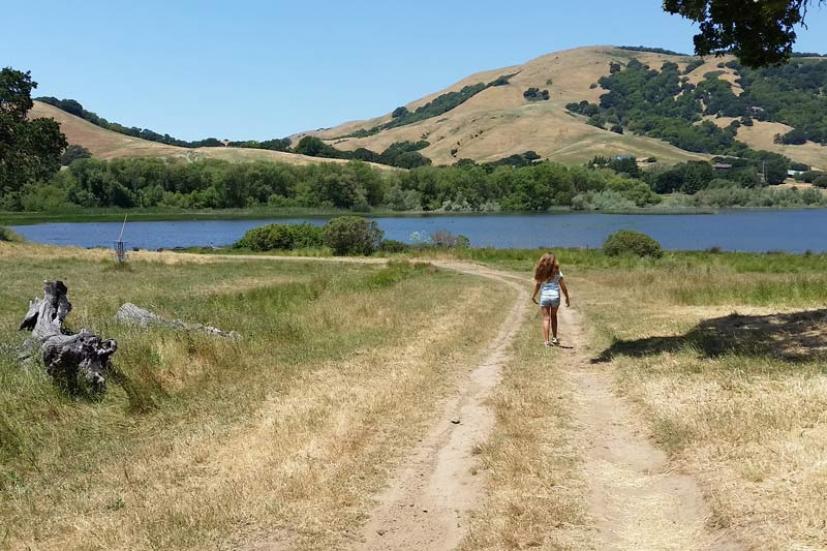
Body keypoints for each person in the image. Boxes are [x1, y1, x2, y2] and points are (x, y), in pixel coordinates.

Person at [531, 252, 570, 347]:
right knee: (553, 316)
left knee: (546, 318)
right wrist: (567, 297)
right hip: (555, 296)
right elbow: (563, 287)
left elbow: (538, 285)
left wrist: (533, 296)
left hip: (545, 297)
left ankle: (546, 341)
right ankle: (555, 338)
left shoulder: (541, 272)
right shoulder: (558, 272)